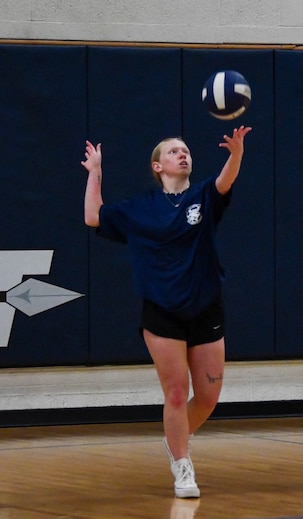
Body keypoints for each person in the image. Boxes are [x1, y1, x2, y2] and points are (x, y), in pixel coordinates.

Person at [81, 125, 252, 498]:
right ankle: (182, 465)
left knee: (207, 397)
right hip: (162, 312)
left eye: (186, 150)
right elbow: (93, 217)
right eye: (174, 151)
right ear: (158, 166)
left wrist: (236, 153)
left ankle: (175, 436)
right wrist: (95, 173)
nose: (183, 154)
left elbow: (225, 181)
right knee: (176, 394)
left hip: (206, 306)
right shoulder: (139, 209)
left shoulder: (204, 196)